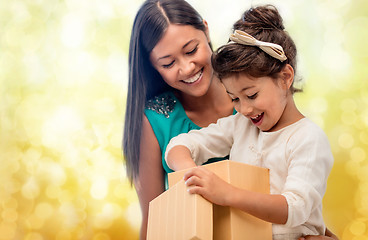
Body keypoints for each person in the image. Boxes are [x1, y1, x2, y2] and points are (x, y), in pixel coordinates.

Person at [123, 0, 338, 239]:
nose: (186, 68)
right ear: (153, 66)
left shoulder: (265, 112)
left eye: (191, 50)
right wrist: (195, 175)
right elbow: (154, 222)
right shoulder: (240, 123)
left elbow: (299, 205)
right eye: (169, 63)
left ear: (205, 30)